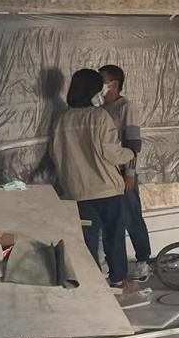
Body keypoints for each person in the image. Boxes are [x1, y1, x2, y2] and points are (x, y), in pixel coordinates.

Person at [50, 69, 136, 288]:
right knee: (113, 236)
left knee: (86, 241)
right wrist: (131, 152)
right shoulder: (99, 116)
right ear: (93, 89)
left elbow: (55, 154)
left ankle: (93, 285)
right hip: (106, 190)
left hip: (76, 192)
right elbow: (112, 153)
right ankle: (118, 280)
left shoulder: (62, 120)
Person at [98, 64, 152, 281]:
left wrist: (130, 172)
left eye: (103, 80)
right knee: (112, 220)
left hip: (123, 171)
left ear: (114, 83)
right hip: (107, 173)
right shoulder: (100, 110)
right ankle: (112, 265)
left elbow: (133, 143)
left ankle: (143, 260)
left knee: (132, 216)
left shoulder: (125, 107)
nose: (100, 85)